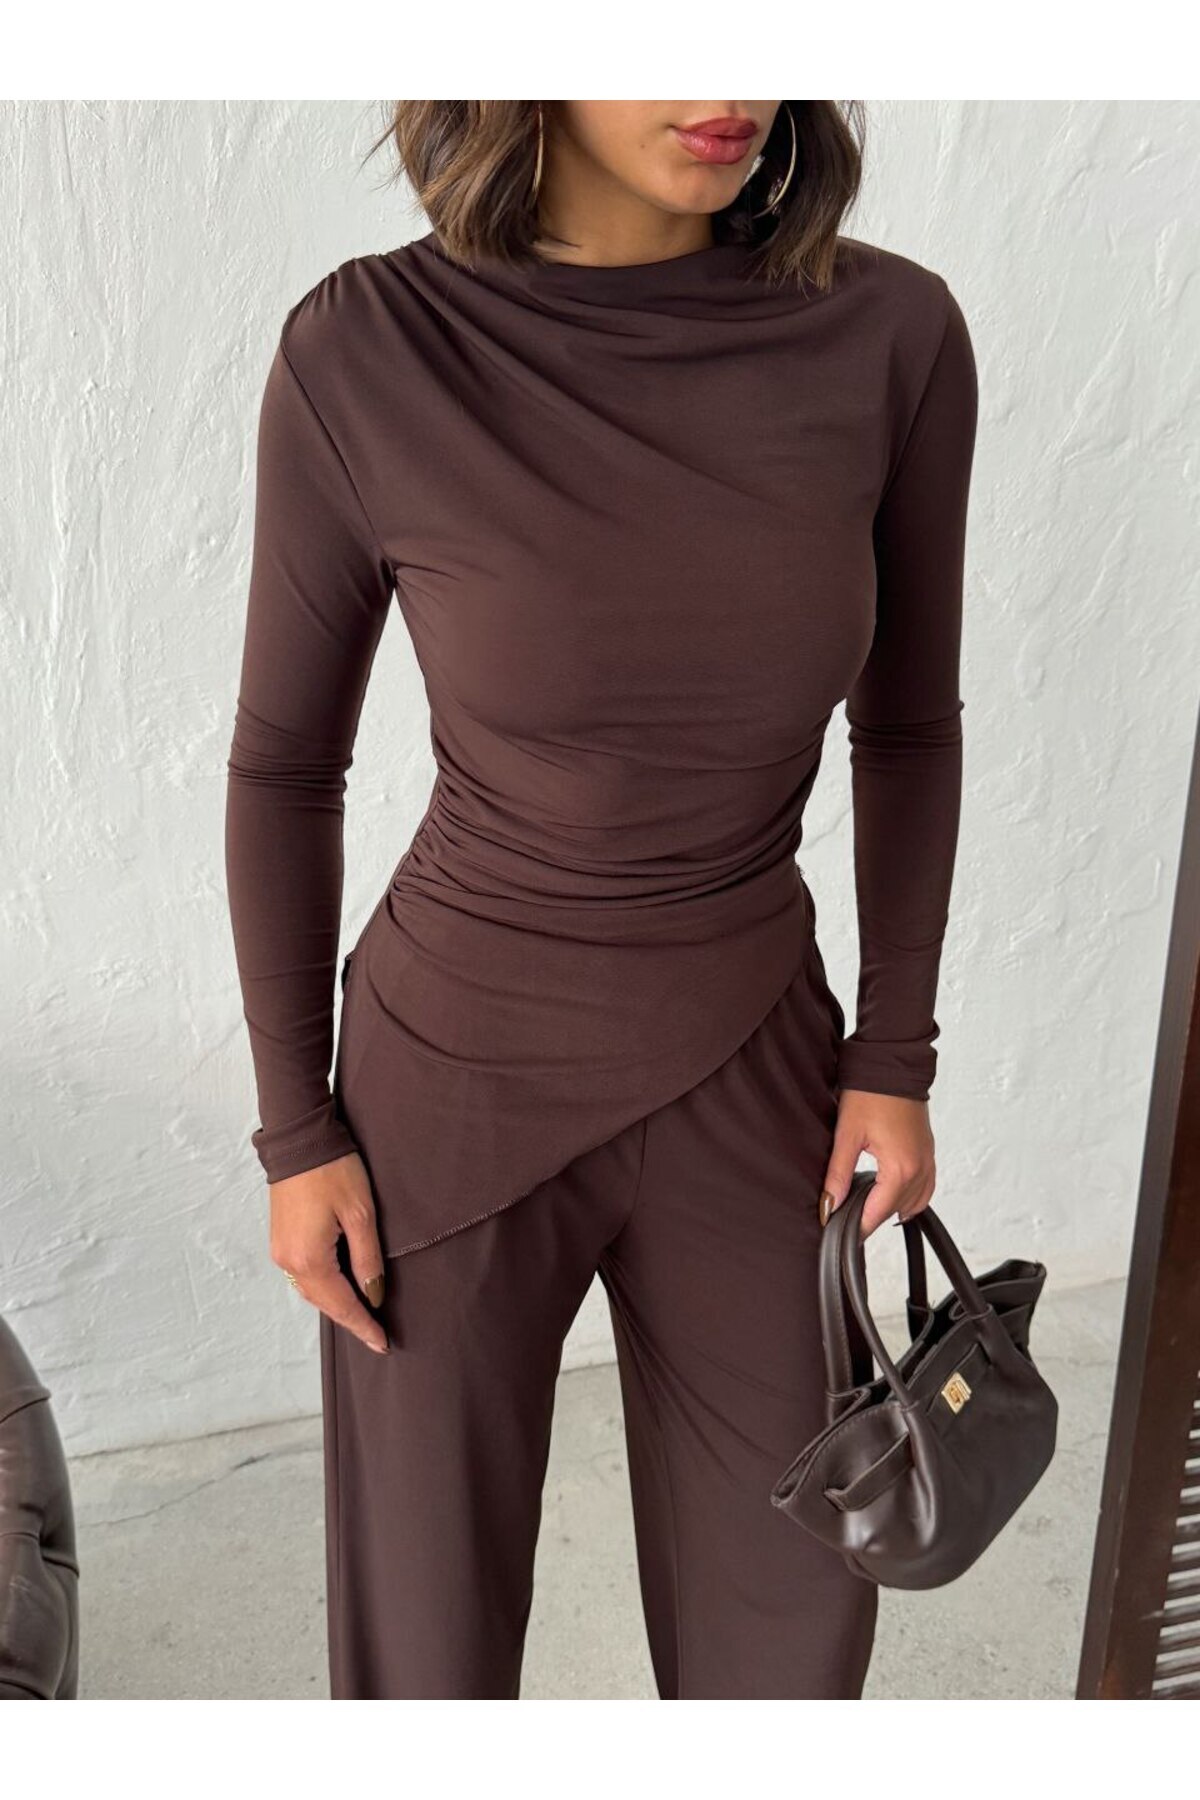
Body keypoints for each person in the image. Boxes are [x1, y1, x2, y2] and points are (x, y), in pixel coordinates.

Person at [224, 99, 978, 1700]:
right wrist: (297, 1131)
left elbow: (908, 726)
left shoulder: (889, 335)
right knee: (425, 1662)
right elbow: (286, 767)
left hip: (760, 1061)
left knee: (789, 1638)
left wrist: (893, 1055)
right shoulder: (369, 349)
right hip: (449, 1090)